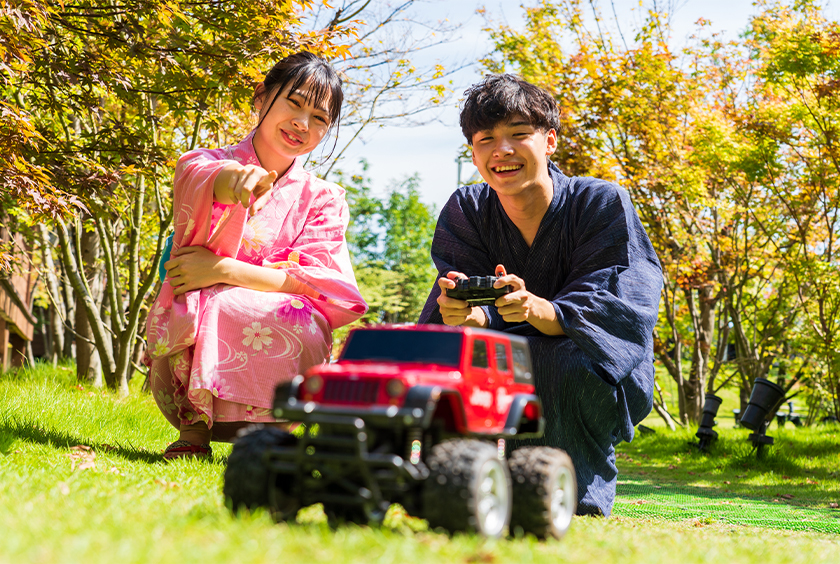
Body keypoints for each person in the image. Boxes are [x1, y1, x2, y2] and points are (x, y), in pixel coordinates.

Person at [418, 74, 662, 516]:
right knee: (438, 356)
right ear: (472, 152)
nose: (501, 151)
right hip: (498, 347)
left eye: (518, 135)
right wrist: (467, 315)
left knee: (561, 361)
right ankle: (442, 485)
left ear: (549, 141)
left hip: (589, 357)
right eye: (486, 139)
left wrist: (540, 309)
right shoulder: (467, 209)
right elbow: (470, 307)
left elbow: (617, 305)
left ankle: (565, 496)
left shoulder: (600, 203)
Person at [145, 51, 367, 460]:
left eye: (320, 118)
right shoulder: (204, 162)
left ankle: (278, 432)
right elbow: (205, 178)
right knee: (207, 299)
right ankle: (195, 431)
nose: (303, 124)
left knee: (295, 314)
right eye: (295, 103)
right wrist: (235, 181)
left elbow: (318, 283)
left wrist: (222, 269)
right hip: (199, 314)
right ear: (261, 98)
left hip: (282, 320)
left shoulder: (325, 197)